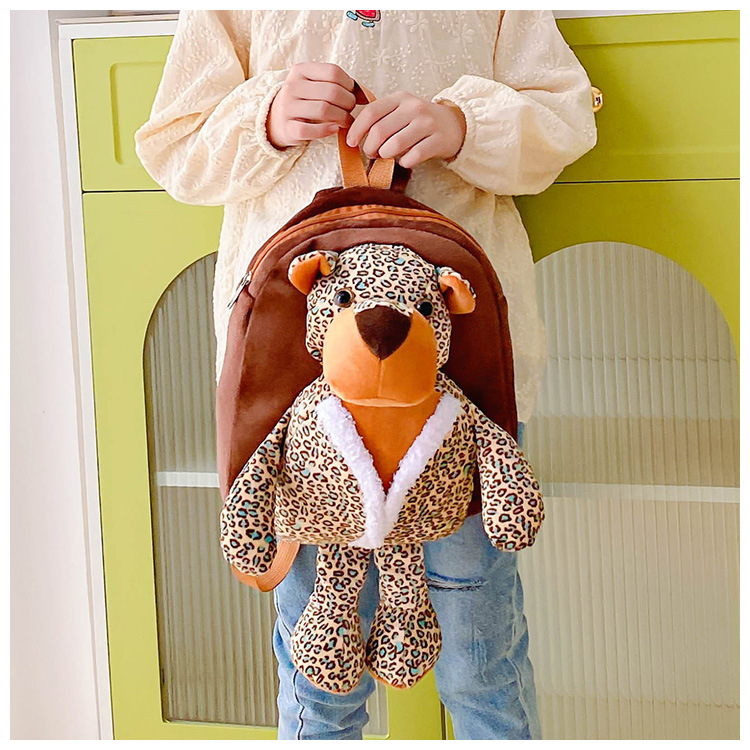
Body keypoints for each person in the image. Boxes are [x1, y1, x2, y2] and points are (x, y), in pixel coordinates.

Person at [135, 10, 596, 740]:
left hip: (460, 375)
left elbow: (564, 113)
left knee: (480, 659)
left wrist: (461, 126)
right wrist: (267, 118)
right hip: (298, 384)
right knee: (320, 667)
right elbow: (175, 146)